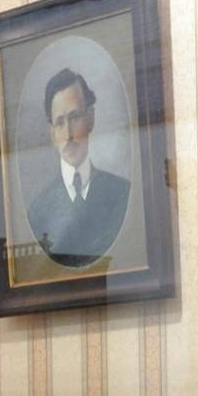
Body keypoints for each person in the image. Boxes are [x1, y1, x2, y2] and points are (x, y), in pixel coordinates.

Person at [25, 67, 132, 267]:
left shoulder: (122, 194)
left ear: (90, 119)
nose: (68, 135)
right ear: (52, 133)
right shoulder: (37, 212)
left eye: (75, 117)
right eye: (59, 123)